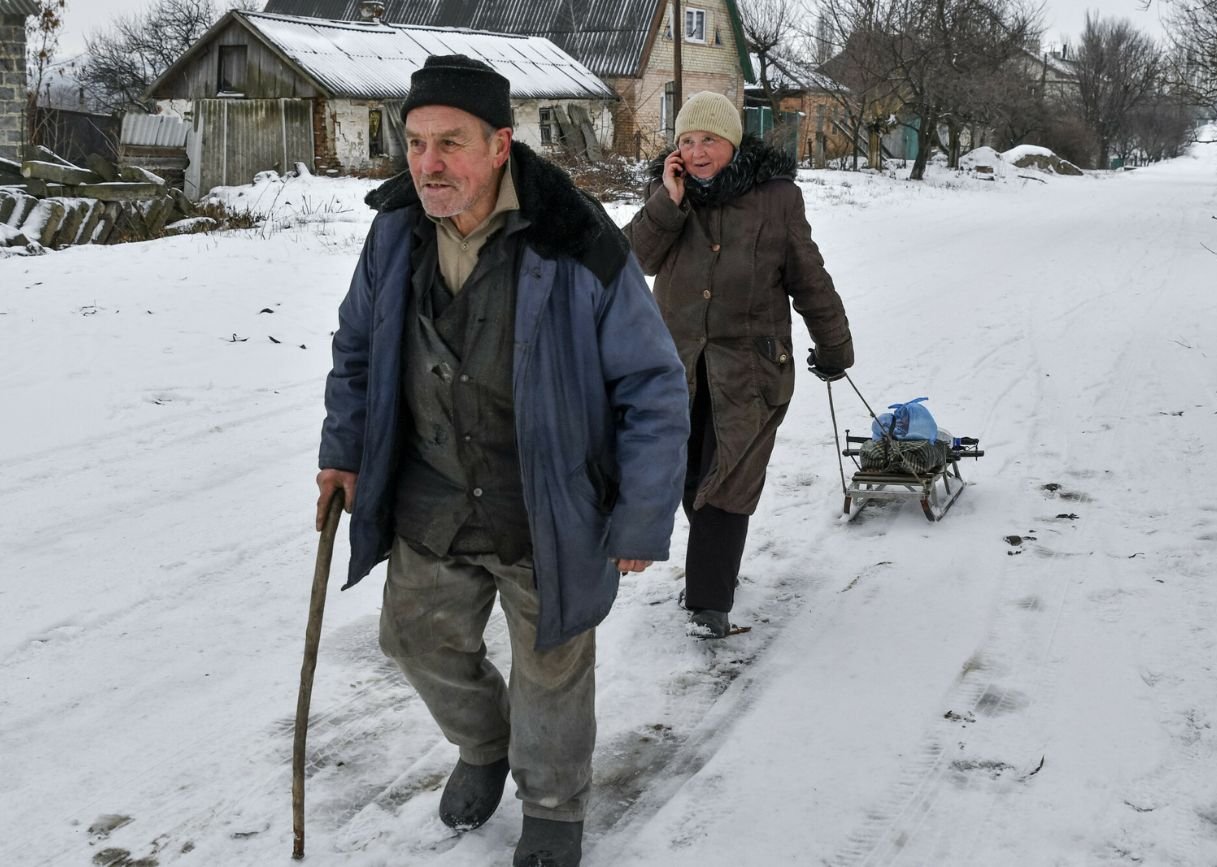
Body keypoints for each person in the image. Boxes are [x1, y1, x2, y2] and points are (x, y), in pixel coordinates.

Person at [315, 55, 689, 867]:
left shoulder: (575, 239)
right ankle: (486, 744)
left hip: (547, 503)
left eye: (450, 142)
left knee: (552, 666)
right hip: (433, 493)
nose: (427, 164)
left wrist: (641, 512)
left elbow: (653, 384)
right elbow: (357, 351)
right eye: (415, 143)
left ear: (500, 145)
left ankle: (554, 803)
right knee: (413, 638)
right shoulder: (394, 233)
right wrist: (342, 450)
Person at [623, 91, 854, 639]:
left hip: (749, 372)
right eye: (687, 141)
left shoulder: (776, 200)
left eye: (709, 140)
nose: (698, 152)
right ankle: (712, 572)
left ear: (733, 142)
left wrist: (835, 346)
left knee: (725, 481)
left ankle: (708, 603)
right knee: (683, 476)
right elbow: (629, 261)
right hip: (674, 368)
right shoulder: (669, 195)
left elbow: (809, 279)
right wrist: (667, 203)